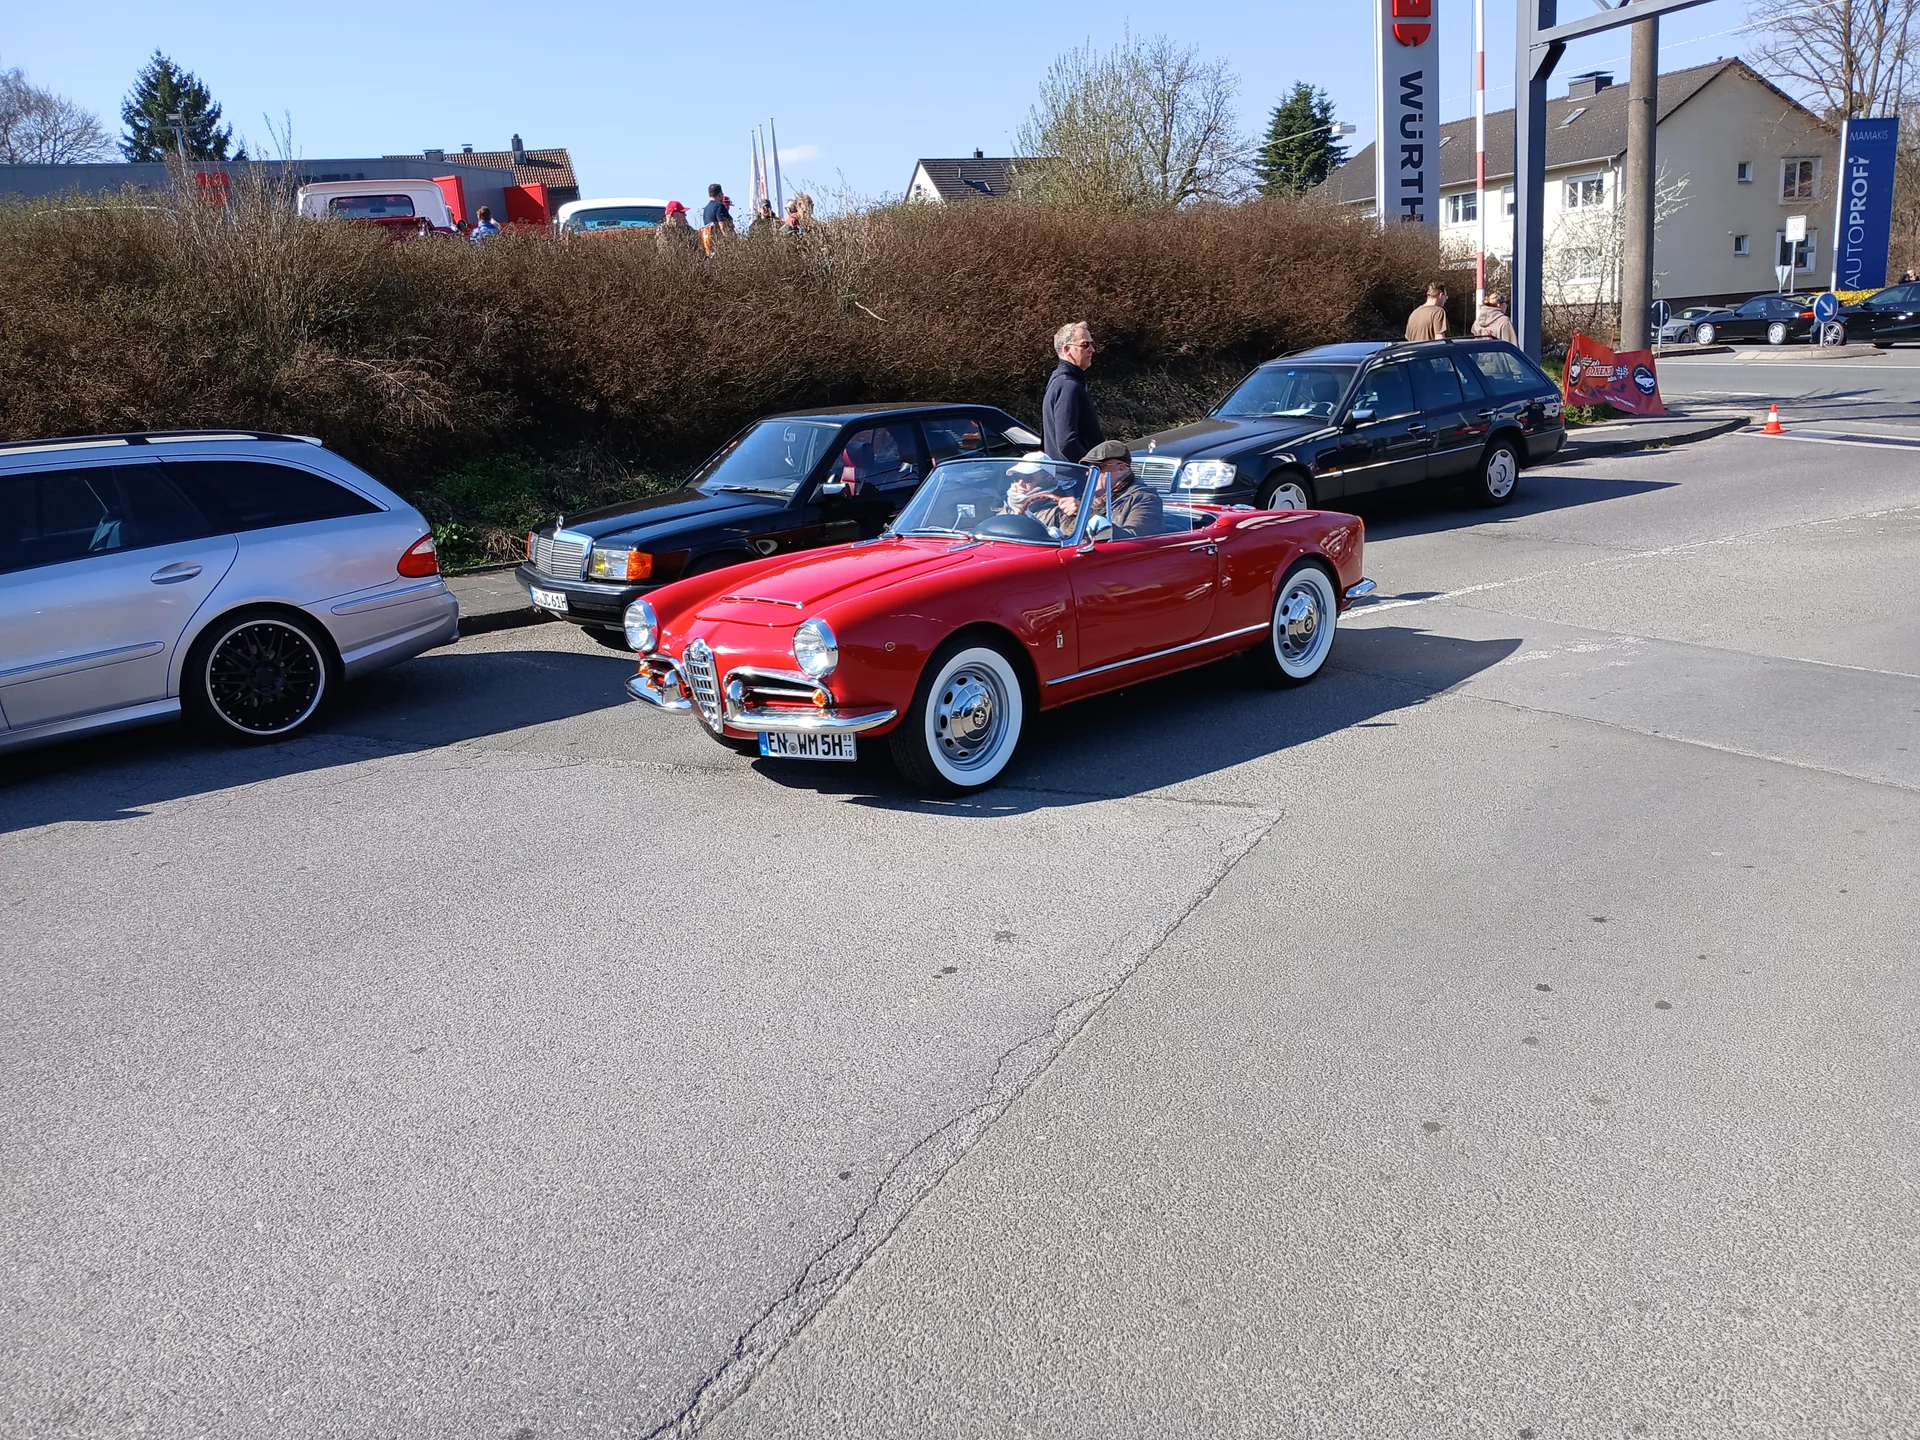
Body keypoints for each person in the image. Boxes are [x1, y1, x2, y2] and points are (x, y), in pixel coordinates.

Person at [1043, 322, 1104, 463]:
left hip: (1065, 471)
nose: (1092, 349)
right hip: (1073, 473)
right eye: (1085, 345)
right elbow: (1067, 442)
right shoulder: (1068, 385)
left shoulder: (1060, 380)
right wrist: (1092, 467)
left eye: (1092, 344)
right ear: (1067, 349)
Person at [1081, 440, 1163, 539]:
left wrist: (1086, 514)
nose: (1088, 473)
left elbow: (1135, 540)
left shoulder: (1145, 499)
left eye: (1096, 468)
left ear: (1122, 468)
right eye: (1087, 468)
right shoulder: (1088, 498)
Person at [700, 183, 734, 257]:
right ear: (719, 194)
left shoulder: (706, 209)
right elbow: (722, 225)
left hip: (710, 243)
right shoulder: (719, 206)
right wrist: (730, 240)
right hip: (720, 244)